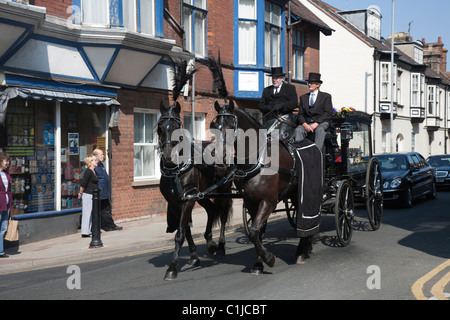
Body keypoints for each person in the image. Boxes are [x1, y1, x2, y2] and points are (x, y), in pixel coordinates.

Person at [294, 72, 333, 151]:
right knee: (298, 130)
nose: (310, 85)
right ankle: (300, 152)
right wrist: (304, 124)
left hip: (321, 122)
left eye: (312, 83)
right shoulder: (303, 97)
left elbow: (328, 113)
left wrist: (316, 124)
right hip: (307, 123)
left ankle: (316, 152)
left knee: (319, 130)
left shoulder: (326, 96)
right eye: (309, 83)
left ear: (318, 85)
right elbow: (300, 114)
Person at [258, 66, 298, 139]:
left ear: (282, 78)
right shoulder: (266, 90)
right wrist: (268, 108)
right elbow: (261, 105)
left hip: (285, 120)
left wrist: (282, 106)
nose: (274, 80)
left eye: (276, 78)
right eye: (273, 78)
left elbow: (294, 103)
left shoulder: (290, 88)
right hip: (270, 120)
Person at [93, 148, 122, 232]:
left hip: (105, 191)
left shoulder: (101, 165)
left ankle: (110, 225)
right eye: (101, 154)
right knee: (104, 210)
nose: (103, 156)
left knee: (106, 209)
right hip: (100, 191)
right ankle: (107, 226)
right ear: (95, 156)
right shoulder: (95, 166)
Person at [78, 155, 99, 237]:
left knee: (90, 213)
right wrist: (80, 193)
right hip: (87, 194)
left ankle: (88, 231)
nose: (96, 161)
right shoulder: (88, 171)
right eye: (94, 160)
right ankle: (85, 232)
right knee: (87, 213)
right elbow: (83, 183)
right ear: (90, 162)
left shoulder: (93, 171)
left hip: (92, 194)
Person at [0, 151, 12, 257]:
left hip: (6, 204)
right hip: (0, 204)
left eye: (8, 161)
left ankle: (1, 251)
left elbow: (9, 190)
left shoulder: (6, 174)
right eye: (5, 161)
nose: (7, 162)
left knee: (3, 228)